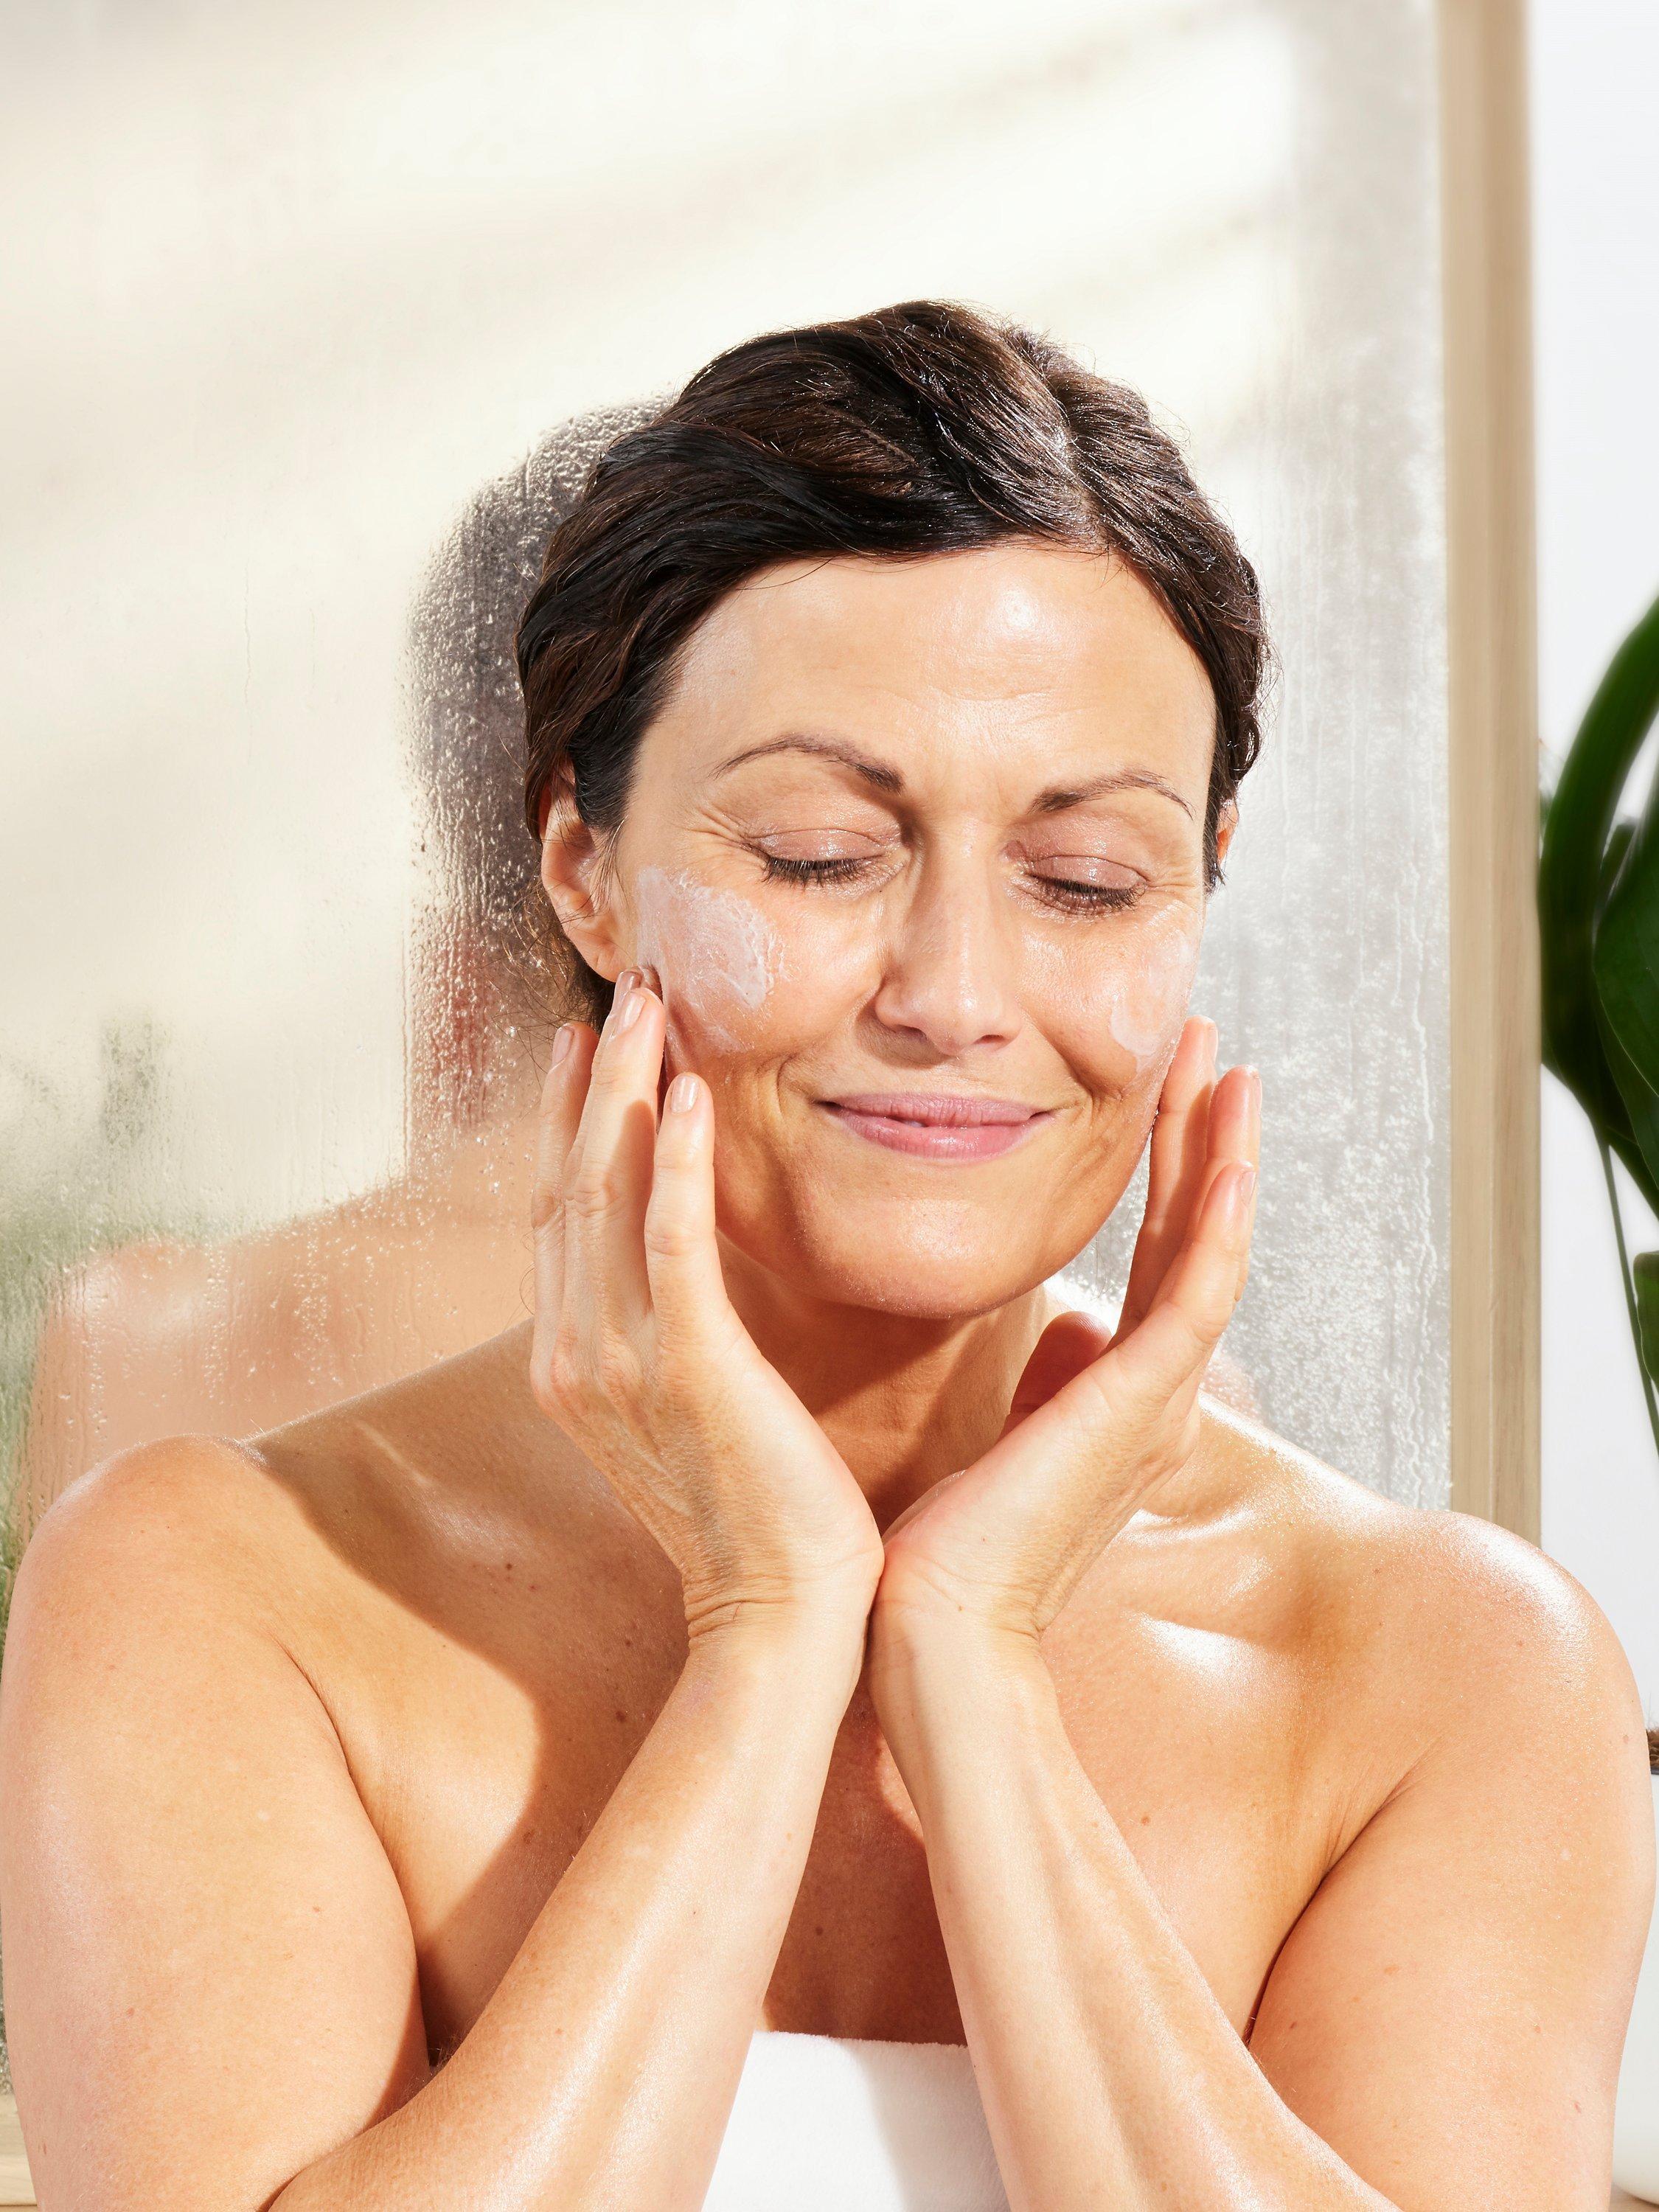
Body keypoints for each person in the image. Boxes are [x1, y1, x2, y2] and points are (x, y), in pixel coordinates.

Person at [0, 299, 1649, 2212]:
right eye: (815, 855)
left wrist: (976, 1673)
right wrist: (768, 1631)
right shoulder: (230, 1595)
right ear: (582, 873)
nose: (954, 993)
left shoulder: (1446, 1669)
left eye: (1086, 880)